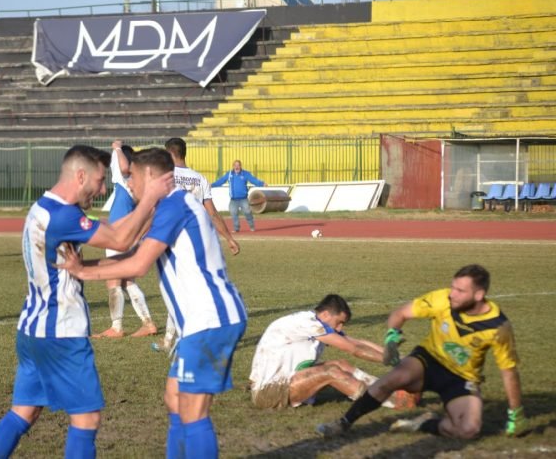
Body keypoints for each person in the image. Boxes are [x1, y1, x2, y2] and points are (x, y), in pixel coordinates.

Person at [0, 145, 173, 459]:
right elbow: (120, 240)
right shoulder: (63, 215)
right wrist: (150, 197)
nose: (102, 189)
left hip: (32, 330)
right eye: (99, 181)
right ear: (81, 176)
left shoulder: (44, 207)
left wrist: (148, 214)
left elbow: (112, 232)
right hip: (61, 333)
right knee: (86, 419)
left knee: (23, 413)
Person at [57, 147, 247, 459]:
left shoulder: (175, 206)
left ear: (148, 175)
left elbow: (139, 264)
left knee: (193, 410)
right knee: (175, 399)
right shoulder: (167, 207)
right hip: (200, 322)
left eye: (131, 176)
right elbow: (129, 247)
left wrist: (82, 272)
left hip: (212, 319)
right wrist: (83, 265)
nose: (128, 183)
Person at [316, 264, 526, 439]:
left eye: (461, 291)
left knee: (468, 430)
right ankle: (343, 423)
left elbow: (509, 373)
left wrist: (515, 413)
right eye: (453, 287)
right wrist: (392, 336)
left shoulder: (498, 327)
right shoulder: (442, 299)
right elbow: (401, 313)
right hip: (428, 360)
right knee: (390, 380)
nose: (452, 294)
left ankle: (423, 424)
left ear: (479, 295)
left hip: (462, 378)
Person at [250, 294, 418, 410]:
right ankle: (391, 401)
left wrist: (403, 358)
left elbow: (357, 342)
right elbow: (353, 349)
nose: (340, 328)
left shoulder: (316, 322)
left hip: (287, 381)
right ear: (325, 314)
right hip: (269, 392)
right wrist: (394, 360)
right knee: (331, 372)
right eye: (339, 322)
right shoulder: (307, 323)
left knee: (340, 364)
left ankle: (387, 390)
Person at [161, 137, 240, 352]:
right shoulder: (200, 178)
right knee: (189, 286)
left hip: (175, 238)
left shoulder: (166, 176)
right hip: (199, 238)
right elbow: (212, 212)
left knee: (179, 288)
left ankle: (184, 337)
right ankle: (169, 339)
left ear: (169, 154)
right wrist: (229, 238)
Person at [95, 140, 157, 339]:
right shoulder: (140, 182)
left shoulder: (125, 177)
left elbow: (122, 167)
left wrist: (117, 148)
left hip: (119, 234)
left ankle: (116, 327)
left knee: (113, 280)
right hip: (131, 234)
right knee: (128, 281)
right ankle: (147, 323)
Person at [212, 159, 267, 232]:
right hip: (233, 199)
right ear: (233, 166)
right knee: (233, 213)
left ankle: (252, 226)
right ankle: (236, 228)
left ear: (241, 166)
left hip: (243, 199)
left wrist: (262, 184)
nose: (237, 167)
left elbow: (253, 180)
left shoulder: (245, 174)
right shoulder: (229, 174)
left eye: (238, 165)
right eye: (235, 165)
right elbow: (221, 181)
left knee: (247, 212)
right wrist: (212, 185)